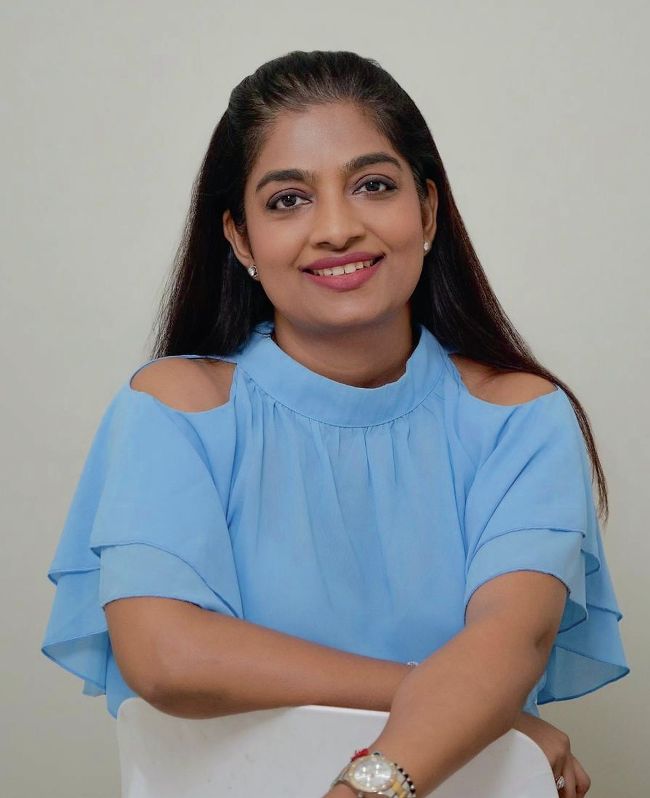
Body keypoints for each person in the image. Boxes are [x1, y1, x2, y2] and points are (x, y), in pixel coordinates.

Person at [41, 50, 629, 797]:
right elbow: (166, 658)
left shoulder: (518, 416)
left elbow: (512, 642)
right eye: (288, 199)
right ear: (241, 239)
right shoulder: (177, 407)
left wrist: (369, 786)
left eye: (373, 185)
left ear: (428, 210)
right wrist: (479, 709)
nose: (337, 228)